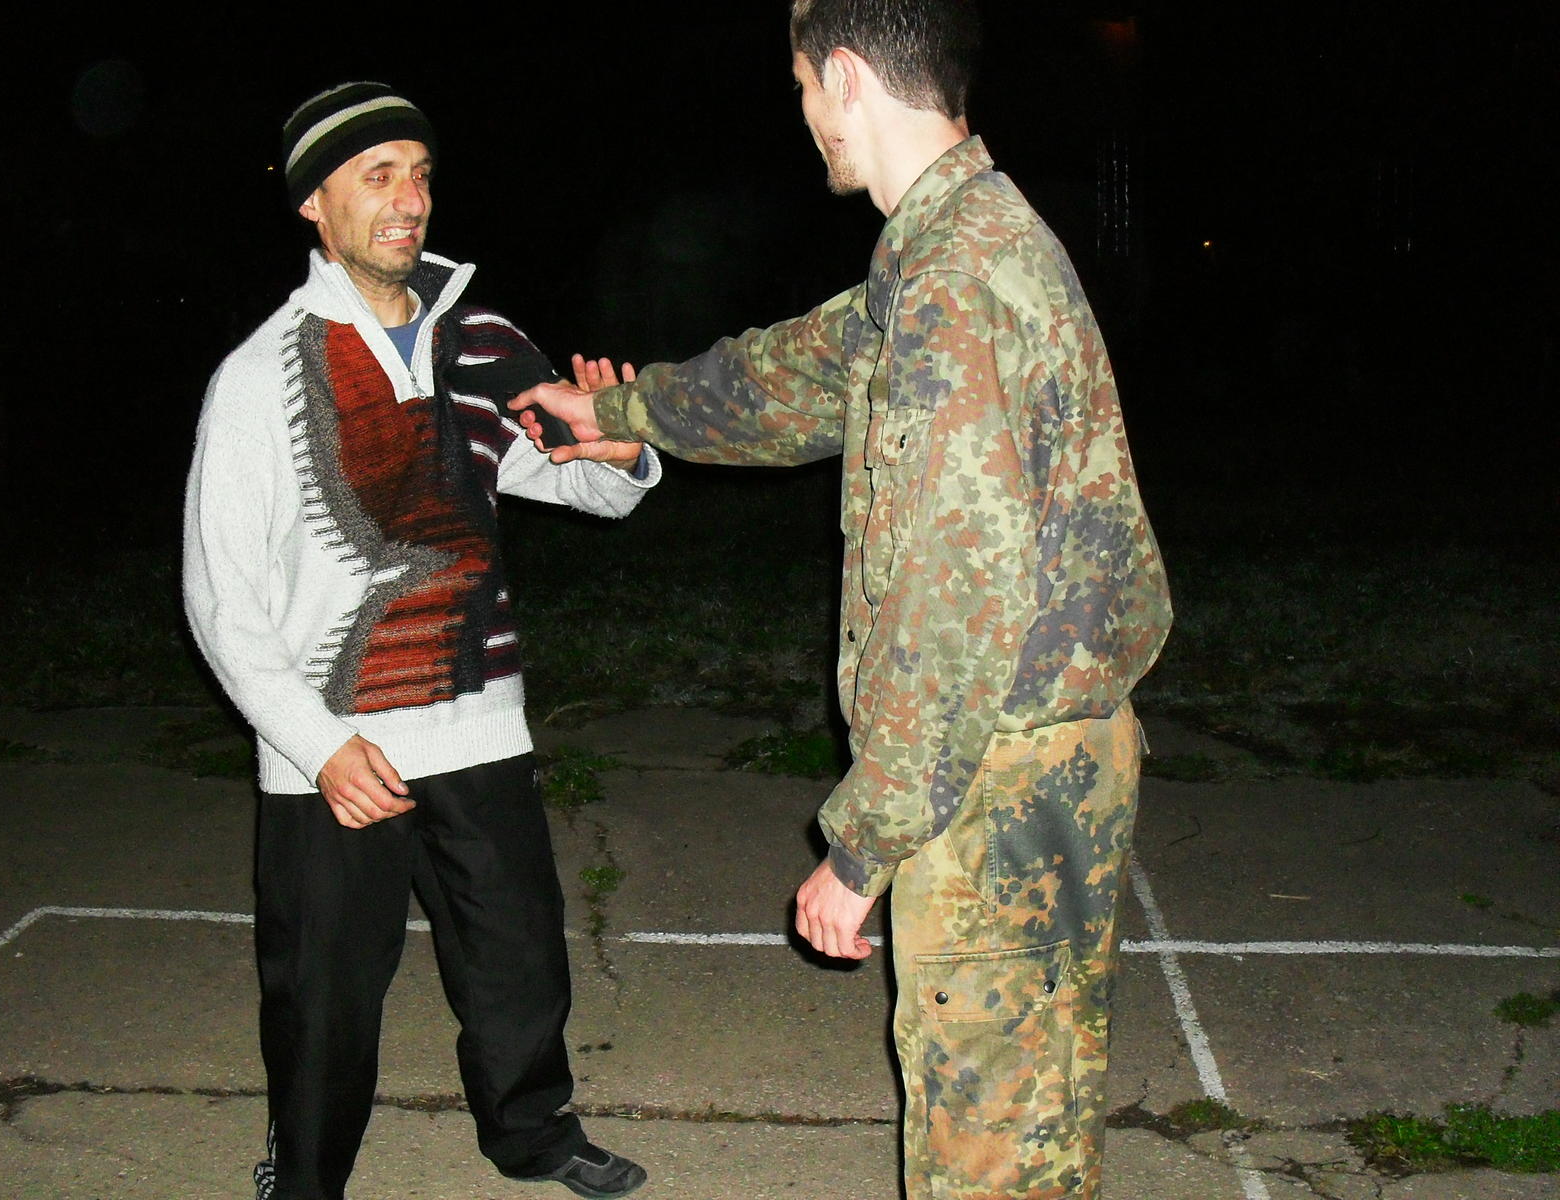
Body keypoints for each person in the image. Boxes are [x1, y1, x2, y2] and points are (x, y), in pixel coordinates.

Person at [512, 3, 1172, 1197]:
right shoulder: (954, 243)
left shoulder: (953, 283)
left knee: (991, 1155)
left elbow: (950, 604)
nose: (806, 115)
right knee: (1032, 1122)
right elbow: (800, 373)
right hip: (1033, 760)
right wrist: (619, 413)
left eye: (805, 86)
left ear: (849, 77)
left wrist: (862, 845)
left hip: (996, 781)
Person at [182, 81, 652, 1200]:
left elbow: (578, 483)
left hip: (477, 721)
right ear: (314, 203)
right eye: (377, 176)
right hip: (334, 746)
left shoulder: (481, 341)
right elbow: (220, 597)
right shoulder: (257, 377)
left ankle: (533, 1136)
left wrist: (623, 451)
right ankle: (306, 1173)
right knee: (322, 993)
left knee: (518, 961)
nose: (409, 198)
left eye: (421, 173)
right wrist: (314, 744)